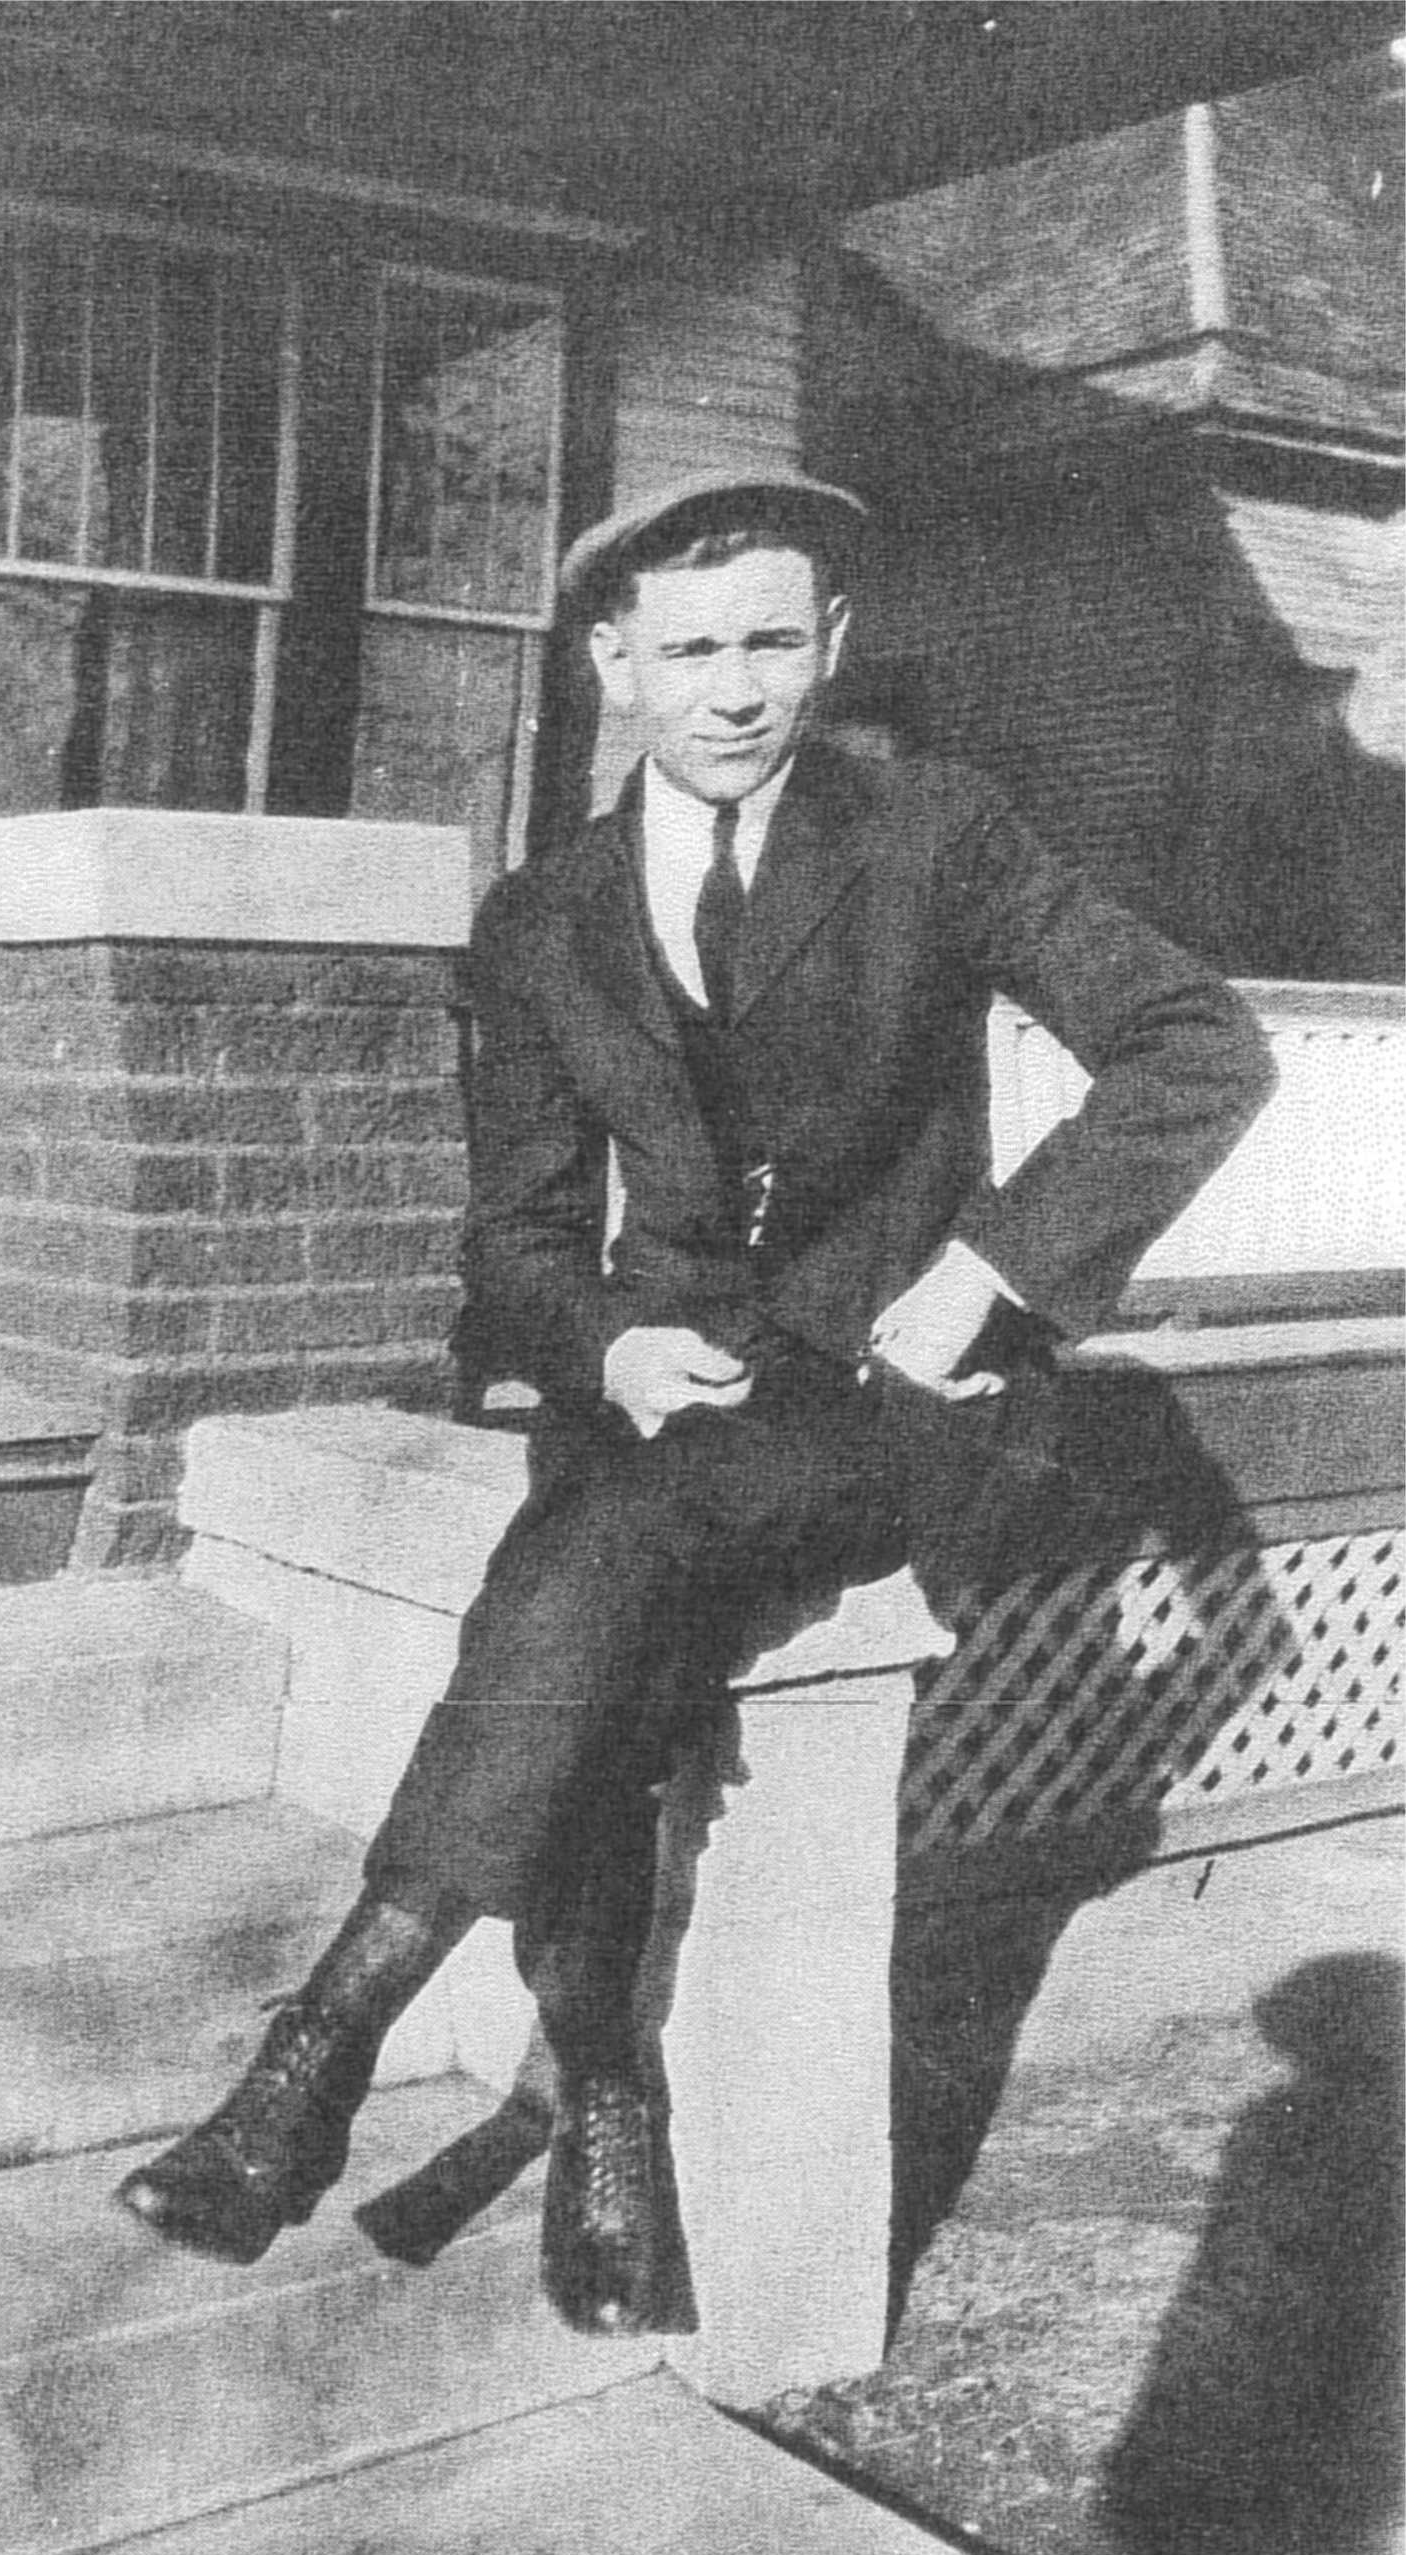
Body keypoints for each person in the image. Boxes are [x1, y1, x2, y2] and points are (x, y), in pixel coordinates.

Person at [119, 468, 1274, 2332]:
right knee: (597, 1604)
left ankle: (321, 2049)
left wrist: (986, 1272)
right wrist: (605, 1347)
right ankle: (609, 2100)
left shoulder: (934, 832)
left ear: (831, 644)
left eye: (770, 644)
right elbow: (515, 1239)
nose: (734, 691)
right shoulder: (540, 917)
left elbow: (1195, 1045)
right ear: (613, 666)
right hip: (655, 1394)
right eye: (690, 651)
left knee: (604, 1554)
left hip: (882, 1391)